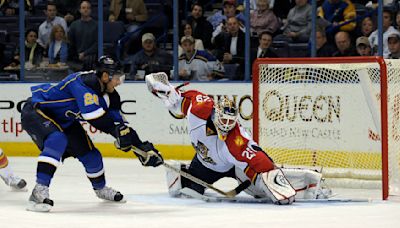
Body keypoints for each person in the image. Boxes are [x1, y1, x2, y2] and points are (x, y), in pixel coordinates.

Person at [145, 72, 331, 205]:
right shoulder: (200, 112)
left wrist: (276, 182)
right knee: (186, 191)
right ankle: (183, 172)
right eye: (223, 119)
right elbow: (182, 101)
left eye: (230, 120)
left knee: (262, 192)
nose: (226, 124)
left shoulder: (237, 142)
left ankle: (306, 181)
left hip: (235, 167)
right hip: (204, 165)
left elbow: (260, 161)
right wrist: (166, 90)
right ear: (216, 113)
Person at [21, 56, 163, 212]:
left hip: (64, 120)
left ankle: (100, 189)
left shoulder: (111, 95)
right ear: (104, 76)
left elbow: (121, 126)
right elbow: (96, 119)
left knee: (92, 156)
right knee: (57, 140)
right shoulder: (81, 84)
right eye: (117, 78)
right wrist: (118, 134)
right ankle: (38, 192)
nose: (119, 82)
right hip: (37, 110)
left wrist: (142, 147)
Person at [68, 0, 98, 71]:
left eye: (88, 8)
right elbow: (71, 43)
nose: (86, 10)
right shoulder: (74, 25)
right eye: (83, 8)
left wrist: (85, 53)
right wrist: (77, 55)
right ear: (80, 10)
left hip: (92, 58)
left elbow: (97, 44)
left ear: (90, 10)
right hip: (76, 58)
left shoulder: (96, 25)